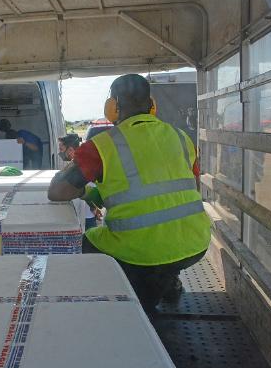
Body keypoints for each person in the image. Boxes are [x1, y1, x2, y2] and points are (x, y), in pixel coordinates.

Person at [48, 74, 211, 316]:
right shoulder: (180, 137)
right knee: (163, 249)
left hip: (140, 252)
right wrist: (101, 194)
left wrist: (82, 189)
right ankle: (169, 281)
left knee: (86, 241)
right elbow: (174, 187)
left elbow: (57, 192)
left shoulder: (102, 145)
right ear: (151, 104)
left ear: (113, 106)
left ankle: (120, 301)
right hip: (195, 243)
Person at [58, 133, 99, 231]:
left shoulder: (80, 164)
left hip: (86, 214)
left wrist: (93, 207)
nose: (60, 152)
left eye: (61, 149)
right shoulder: (81, 160)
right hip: (85, 212)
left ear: (71, 150)